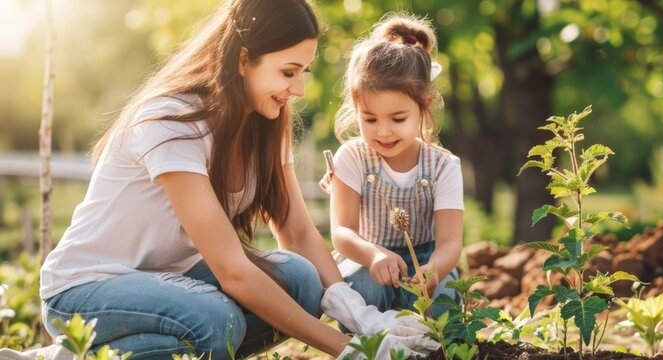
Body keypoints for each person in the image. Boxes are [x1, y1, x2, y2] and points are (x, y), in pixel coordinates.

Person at [38, 1, 438, 359]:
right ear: (244, 59)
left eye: (303, 72)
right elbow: (231, 271)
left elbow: (296, 231)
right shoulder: (171, 120)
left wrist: (361, 316)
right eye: (288, 71)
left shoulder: (265, 123)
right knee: (214, 322)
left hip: (170, 283)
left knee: (301, 281)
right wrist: (350, 350)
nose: (298, 89)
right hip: (85, 289)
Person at [321, 14, 464, 317]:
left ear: (423, 105)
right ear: (356, 108)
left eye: (398, 119)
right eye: (369, 119)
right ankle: (373, 341)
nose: (383, 131)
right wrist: (373, 255)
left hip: (427, 258)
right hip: (369, 257)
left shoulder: (443, 167)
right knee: (363, 289)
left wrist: (434, 269)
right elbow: (342, 232)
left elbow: (450, 241)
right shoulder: (353, 157)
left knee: (442, 298)